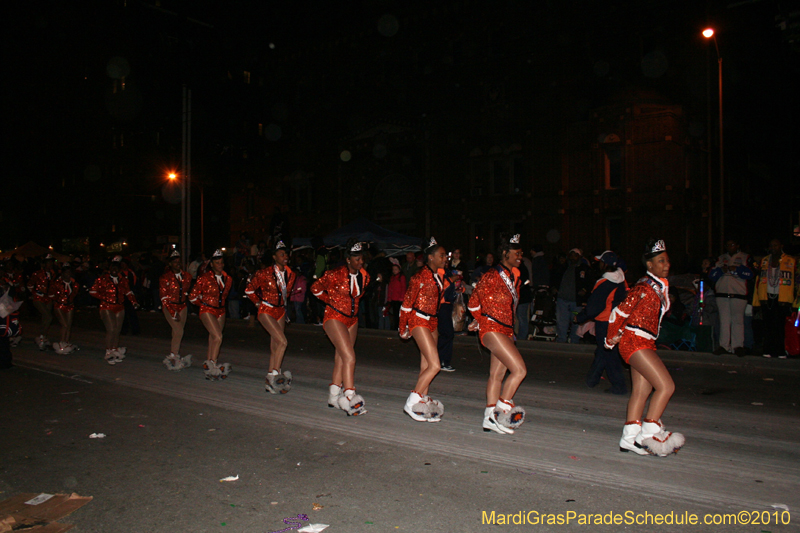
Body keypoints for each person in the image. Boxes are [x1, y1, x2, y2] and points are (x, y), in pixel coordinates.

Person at [606, 239, 685, 456]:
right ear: (650, 265)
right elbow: (620, 312)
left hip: (645, 341)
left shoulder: (657, 286)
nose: (666, 264)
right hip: (635, 341)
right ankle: (647, 434)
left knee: (642, 391)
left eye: (667, 261)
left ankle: (628, 438)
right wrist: (612, 336)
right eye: (661, 261)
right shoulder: (644, 286)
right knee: (666, 386)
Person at [467, 233, 528, 435]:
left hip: (506, 330)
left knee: (497, 375)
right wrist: (480, 320)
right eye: (516, 253)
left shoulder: (515, 276)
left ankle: (488, 418)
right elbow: (473, 302)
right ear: (505, 254)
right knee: (519, 370)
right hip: (492, 329)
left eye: (521, 252)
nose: (520, 256)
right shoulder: (491, 276)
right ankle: (501, 412)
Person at [310, 239, 370, 416]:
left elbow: (359, 294)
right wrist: (329, 301)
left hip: (352, 319)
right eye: (357, 259)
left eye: (362, 259)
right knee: (350, 357)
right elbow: (315, 288)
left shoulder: (365, 275)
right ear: (348, 259)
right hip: (334, 317)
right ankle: (349, 395)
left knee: (341, 358)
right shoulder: (334, 274)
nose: (361, 262)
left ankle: (333, 397)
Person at [398, 237, 448, 422]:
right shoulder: (419, 276)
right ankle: (411, 402)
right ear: (430, 257)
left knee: (426, 365)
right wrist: (403, 327)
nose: (445, 258)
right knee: (435, 365)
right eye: (441, 255)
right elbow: (406, 304)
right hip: (418, 320)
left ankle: (423, 402)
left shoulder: (439, 275)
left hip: (432, 322)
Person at [245, 241, 296, 393]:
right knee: (282, 342)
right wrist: (257, 304)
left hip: (280, 311)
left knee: (275, 344)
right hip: (266, 309)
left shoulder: (291, 274)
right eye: (282, 254)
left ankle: (270, 377)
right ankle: (275, 375)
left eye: (286, 254)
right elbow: (249, 290)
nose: (285, 257)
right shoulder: (264, 273)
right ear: (274, 257)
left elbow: (287, 294)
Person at [576, 251, 628, 395]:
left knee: (608, 354)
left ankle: (619, 385)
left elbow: (595, 306)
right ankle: (592, 380)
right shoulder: (622, 279)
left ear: (604, 264)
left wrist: (580, 318)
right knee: (604, 351)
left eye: (600, 261)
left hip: (605, 322)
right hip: (616, 320)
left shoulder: (605, 283)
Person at [189, 249, 233, 380]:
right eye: (217, 263)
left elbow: (224, 296)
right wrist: (203, 303)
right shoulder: (204, 278)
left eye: (222, 262)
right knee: (218, 336)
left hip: (221, 311)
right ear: (212, 264)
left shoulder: (228, 278)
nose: (220, 265)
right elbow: (192, 297)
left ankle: (209, 363)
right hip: (207, 309)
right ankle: (212, 366)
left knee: (213, 338)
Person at [753, 238, 798, 358]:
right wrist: (756, 301)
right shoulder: (764, 260)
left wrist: (795, 302)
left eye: (775, 245)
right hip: (767, 296)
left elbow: (796, 282)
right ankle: (768, 349)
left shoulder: (791, 260)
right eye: (771, 246)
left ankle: (781, 351)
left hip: (783, 297)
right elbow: (758, 281)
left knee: (780, 325)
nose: (773, 248)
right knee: (768, 325)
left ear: (781, 246)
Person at [89, 256, 138, 365]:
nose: (115, 271)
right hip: (107, 307)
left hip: (120, 307)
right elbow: (92, 291)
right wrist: (104, 297)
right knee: (111, 329)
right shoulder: (102, 279)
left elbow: (128, 292)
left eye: (117, 269)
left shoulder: (123, 279)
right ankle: (108, 351)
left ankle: (114, 349)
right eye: (113, 269)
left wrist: (133, 301)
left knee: (117, 330)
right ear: (109, 269)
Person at [709, 239, 753, 356]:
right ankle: (724, 346)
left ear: (737, 245)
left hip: (739, 294)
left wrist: (737, 269)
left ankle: (737, 346)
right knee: (724, 321)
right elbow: (711, 276)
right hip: (722, 294)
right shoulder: (720, 258)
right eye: (728, 245)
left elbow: (751, 274)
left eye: (732, 244)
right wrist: (720, 270)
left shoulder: (745, 257)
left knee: (738, 321)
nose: (730, 246)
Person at [159, 250, 193, 371]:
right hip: (169, 306)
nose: (177, 264)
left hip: (182, 306)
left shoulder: (187, 276)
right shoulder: (165, 278)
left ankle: (175, 353)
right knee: (179, 331)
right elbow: (163, 297)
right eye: (174, 262)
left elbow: (188, 290)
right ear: (170, 264)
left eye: (179, 262)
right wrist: (173, 312)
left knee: (177, 331)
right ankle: (173, 356)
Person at [552, 248, 591, 343]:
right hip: (562, 299)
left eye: (575, 255)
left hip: (576, 301)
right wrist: (554, 288)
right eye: (571, 255)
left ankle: (574, 341)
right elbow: (554, 278)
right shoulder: (564, 267)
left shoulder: (584, 268)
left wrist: (585, 290)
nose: (573, 257)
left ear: (579, 256)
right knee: (562, 321)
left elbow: (590, 282)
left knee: (576, 321)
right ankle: (561, 339)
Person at [27, 254, 56, 350]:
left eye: (52, 262)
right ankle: (42, 337)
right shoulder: (37, 273)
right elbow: (30, 284)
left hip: (48, 298)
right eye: (48, 262)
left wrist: (52, 295)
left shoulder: (52, 273)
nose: (50, 264)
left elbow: (52, 285)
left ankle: (42, 336)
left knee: (46, 318)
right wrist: (35, 293)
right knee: (48, 316)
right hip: (39, 298)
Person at [48, 262, 78, 355]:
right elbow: (51, 294)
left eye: (69, 273)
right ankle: (62, 342)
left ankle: (66, 342)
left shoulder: (74, 284)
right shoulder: (57, 283)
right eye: (66, 273)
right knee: (64, 324)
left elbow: (74, 294)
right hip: (59, 305)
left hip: (70, 305)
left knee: (68, 325)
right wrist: (57, 299)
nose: (67, 275)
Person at [438, 267, 463, 372]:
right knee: (447, 334)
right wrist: (454, 278)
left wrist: (458, 289)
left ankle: (443, 361)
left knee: (447, 334)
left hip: (448, 306)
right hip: (441, 307)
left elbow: (450, 289)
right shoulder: (439, 272)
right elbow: (443, 287)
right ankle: (440, 360)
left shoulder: (447, 271)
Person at [386, 260, 407, 330]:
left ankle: (399, 326)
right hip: (393, 298)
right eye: (393, 270)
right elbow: (390, 288)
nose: (394, 271)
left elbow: (403, 287)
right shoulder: (392, 277)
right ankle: (395, 326)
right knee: (394, 314)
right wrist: (389, 297)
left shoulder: (401, 277)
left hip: (399, 299)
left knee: (399, 314)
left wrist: (402, 297)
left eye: (396, 269)